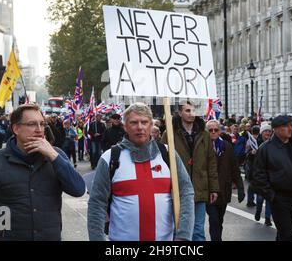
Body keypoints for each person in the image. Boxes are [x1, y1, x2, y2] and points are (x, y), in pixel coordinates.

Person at [0, 104, 85, 241]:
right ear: (16, 128)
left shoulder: (55, 156)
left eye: (42, 124)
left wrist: (53, 156)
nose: (39, 130)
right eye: (32, 124)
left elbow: (78, 189)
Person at [88, 103, 194, 241]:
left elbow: (186, 193)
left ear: (151, 125)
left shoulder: (168, 155)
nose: (140, 127)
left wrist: (184, 236)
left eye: (144, 122)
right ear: (125, 126)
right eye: (134, 122)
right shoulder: (110, 158)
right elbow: (97, 203)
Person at [161, 100, 219, 241]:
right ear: (180, 113)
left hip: (199, 189)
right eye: (187, 110)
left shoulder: (204, 135)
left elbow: (211, 162)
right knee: (178, 230)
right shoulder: (169, 134)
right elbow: (162, 161)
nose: (191, 114)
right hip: (177, 189)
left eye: (193, 110)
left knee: (198, 230)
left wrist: (214, 188)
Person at [252, 115, 292, 241]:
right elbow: (258, 175)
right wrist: (272, 196)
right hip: (280, 199)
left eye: (291, 125)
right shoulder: (266, 148)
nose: (290, 128)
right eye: (286, 126)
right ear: (276, 129)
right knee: (287, 234)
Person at [205, 120, 245, 241]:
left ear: (220, 131)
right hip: (209, 192)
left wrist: (240, 188)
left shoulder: (227, 146)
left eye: (215, 130)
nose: (213, 132)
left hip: (224, 190)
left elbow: (234, 168)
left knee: (219, 220)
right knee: (214, 220)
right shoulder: (202, 146)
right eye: (210, 130)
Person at [248, 124, 273, 226]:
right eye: (265, 131)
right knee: (260, 199)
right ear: (261, 133)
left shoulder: (273, 144)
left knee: (269, 199)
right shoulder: (255, 143)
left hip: (270, 175)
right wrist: (252, 154)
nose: (267, 133)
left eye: (269, 131)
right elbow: (248, 158)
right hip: (259, 175)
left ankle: (267, 218)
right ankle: (258, 210)